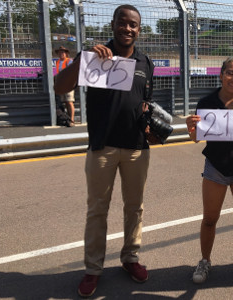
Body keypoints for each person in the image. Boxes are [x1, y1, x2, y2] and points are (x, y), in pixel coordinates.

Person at [53, 5, 156, 297]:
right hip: (103, 146)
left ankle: (130, 258)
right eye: (122, 23)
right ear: (113, 25)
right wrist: (83, 60)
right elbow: (60, 87)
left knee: (134, 207)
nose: (128, 29)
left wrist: (150, 123)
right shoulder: (95, 56)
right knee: (97, 210)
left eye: (133, 25)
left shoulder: (145, 62)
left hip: (137, 147)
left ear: (139, 29)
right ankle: (93, 269)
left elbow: (146, 101)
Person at [185, 57, 233, 284]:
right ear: (221, 75)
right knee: (210, 219)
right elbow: (196, 138)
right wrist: (190, 128)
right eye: (230, 73)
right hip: (215, 167)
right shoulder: (207, 101)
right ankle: (204, 261)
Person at [54, 46, 75, 127]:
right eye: (59, 52)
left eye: (62, 52)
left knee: (69, 101)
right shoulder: (58, 62)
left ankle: (72, 120)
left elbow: (71, 71)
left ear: (66, 54)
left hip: (69, 83)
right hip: (62, 83)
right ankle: (68, 119)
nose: (61, 54)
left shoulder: (69, 61)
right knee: (66, 102)